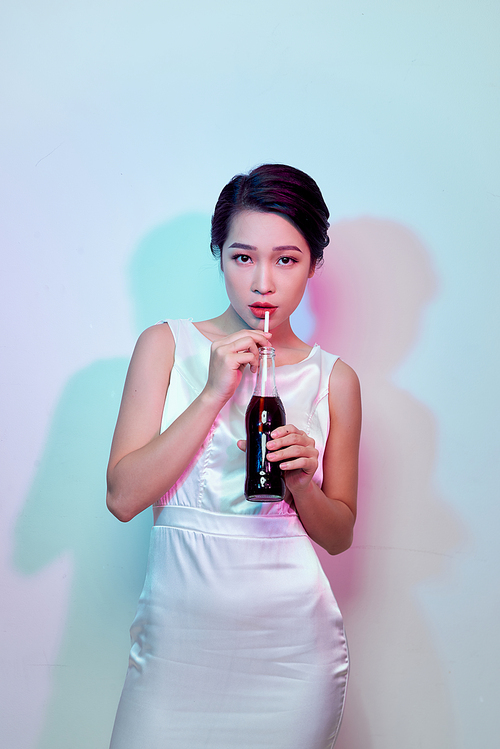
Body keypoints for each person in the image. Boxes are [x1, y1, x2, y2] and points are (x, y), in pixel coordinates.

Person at [106, 164, 361, 749]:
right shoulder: (166, 346)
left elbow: (340, 534)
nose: (263, 283)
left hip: (290, 655)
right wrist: (213, 391)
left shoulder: (335, 379)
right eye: (243, 258)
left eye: (287, 259)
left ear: (315, 264)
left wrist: (302, 483)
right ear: (219, 256)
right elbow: (123, 498)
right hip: (176, 649)